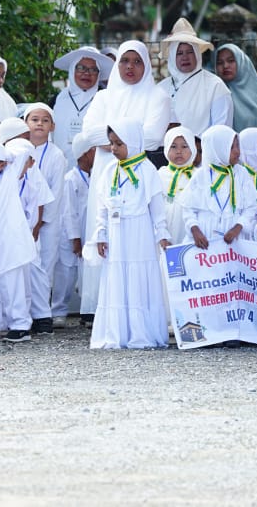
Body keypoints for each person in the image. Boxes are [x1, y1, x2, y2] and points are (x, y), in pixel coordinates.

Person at [90, 117, 170, 349]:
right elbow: (102, 206)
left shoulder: (146, 169)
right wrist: (101, 233)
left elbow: (156, 206)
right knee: (117, 277)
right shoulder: (109, 170)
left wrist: (161, 232)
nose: (113, 149)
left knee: (138, 277)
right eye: (111, 143)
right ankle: (117, 333)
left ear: (133, 142)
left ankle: (140, 333)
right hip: (116, 233)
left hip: (139, 231)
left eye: (118, 143)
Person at [0, 140, 37, 342]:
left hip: (7, 246)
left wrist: (0, 152)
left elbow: (23, 148)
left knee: (12, 287)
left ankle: (19, 324)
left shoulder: (8, 179)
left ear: (2, 165)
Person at [179, 125, 257, 248]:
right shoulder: (201, 174)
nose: (237, 151)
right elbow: (188, 208)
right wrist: (194, 229)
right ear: (217, 149)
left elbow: (251, 207)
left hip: (234, 239)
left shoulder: (241, 174)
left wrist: (239, 226)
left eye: (238, 146)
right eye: (231, 147)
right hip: (205, 236)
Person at [24, 103, 66, 336]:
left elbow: (55, 192)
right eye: (34, 119)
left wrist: (40, 222)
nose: (39, 124)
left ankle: (43, 317)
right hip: (22, 222)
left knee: (43, 267)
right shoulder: (19, 150)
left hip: (46, 224)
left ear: (52, 126)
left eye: (45, 120)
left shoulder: (56, 155)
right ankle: (26, 313)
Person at [156, 18, 232, 135]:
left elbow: (222, 132)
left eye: (190, 52)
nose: (185, 57)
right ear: (171, 56)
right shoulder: (161, 88)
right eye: (179, 53)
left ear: (197, 53)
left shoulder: (215, 86)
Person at [54, 131, 96, 326]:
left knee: (87, 273)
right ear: (85, 154)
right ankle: (58, 311)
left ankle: (88, 311)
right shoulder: (71, 178)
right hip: (73, 235)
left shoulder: (95, 177)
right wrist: (75, 238)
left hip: (89, 233)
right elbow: (69, 212)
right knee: (67, 274)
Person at [51, 46, 115, 165]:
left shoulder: (106, 100)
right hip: (60, 167)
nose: (87, 73)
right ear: (72, 70)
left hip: (95, 166)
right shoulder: (57, 100)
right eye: (81, 68)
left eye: (93, 70)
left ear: (98, 74)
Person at [212, 43, 257, 132]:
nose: (225, 66)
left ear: (242, 62)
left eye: (231, 60)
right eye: (220, 63)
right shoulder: (214, 95)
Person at [158, 126, 197, 244]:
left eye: (184, 146)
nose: (179, 151)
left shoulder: (198, 175)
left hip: (192, 227)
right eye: (173, 146)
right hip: (166, 226)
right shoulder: (160, 174)